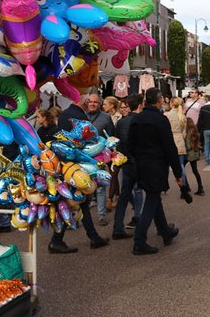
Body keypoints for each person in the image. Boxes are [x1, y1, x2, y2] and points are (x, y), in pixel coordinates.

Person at [47, 100, 110, 253]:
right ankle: (57, 240)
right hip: (76, 166)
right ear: (81, 100)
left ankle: (92, 237)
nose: (90, 102)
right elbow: (86, 141)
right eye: (88, 99)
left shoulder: (65, 114)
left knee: (80, 202)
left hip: (67, 166)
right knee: (74, 202)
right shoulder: (78, 116)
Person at [127, 88, 183, 255]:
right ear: (159, 100)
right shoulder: (160, 120)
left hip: (141, 164)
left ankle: (165, 230)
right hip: (156, 165)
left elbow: (130, 144)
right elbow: (169, 147)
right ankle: (139, 240)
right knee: (151, 200)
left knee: (154, 196)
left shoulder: (137, 119)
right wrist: (177, 171)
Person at [111, 94, 144, 239]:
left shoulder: (121, 123)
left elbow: (117, 143)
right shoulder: (139, 121)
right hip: (138, 162)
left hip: (126, 163)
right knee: (148, 193)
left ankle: (118, 227)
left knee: (124, 195)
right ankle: (141, 221)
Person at [84, 92, 114, 226]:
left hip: (100, 158)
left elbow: (111, 136)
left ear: (100, 104)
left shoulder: (106, 118)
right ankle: (81, 216)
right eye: (90, 101)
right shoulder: (82, 116)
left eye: (95, 102)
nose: (92, 104)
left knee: (101, 187)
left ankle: (101, 215)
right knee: (83, 186)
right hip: (83, 157)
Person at [166, 97, 193, 195]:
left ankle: (167, 185)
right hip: (180, 140)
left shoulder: (167, 115)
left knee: (168, 165)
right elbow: (184, 132)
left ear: (172, 103)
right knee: (181, 166)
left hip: (171, 141)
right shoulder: (183, 116)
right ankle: (184, 187)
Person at [183, 113, 205, 195]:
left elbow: (188, 145)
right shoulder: (195, 131)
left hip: (188, 154)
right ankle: (200, 187)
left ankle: (187, 186)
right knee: (195, 171)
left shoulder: (187, 133)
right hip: (194, 154)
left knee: (182, 170)